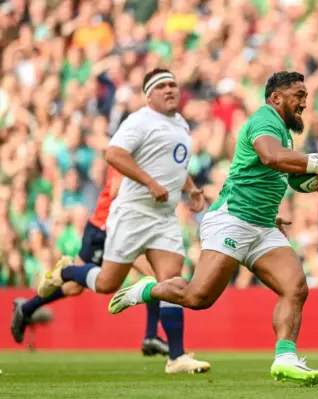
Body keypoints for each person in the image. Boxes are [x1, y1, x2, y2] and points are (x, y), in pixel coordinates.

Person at [108, 71, 318, 386]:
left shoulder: (283, 132)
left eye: (305, 97)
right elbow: (271, 157)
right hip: (232, 220)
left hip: (263, 227)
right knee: (198, 298)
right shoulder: (264, 121)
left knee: (295, 288)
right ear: (276, 97)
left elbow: (291, 177)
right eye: (298, 95)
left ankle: (285, 359)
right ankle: (146, 289)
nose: (304, 103)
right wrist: (315, 163)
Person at [36, 68, 210, 374]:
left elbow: (174, 167)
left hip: (164, 217)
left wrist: (192, 189)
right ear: (149, 95)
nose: (170, 90)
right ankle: (69, 270)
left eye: (173, 84)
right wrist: (149, 182)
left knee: (172, 282)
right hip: (132, 213)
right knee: (106, 284)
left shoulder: (181, 124)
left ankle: (177, 356)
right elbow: (114, 154)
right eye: (162, 86)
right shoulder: (140, 121)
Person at [11, 166, 170, 357]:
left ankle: (27, 308)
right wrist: (150, 186)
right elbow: (116, 190)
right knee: (77, 286)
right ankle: (52, 284)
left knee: (76, 287)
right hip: (104, 228)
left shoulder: (145, 153)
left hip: (122, 229)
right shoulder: (129, 148)